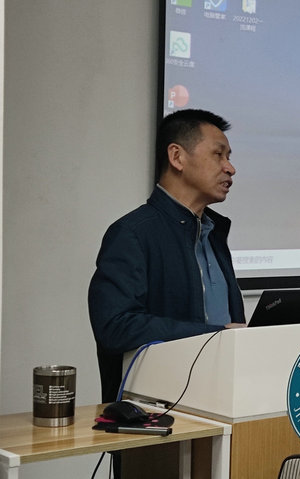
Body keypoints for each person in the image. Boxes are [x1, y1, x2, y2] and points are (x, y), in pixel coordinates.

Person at [88, 109, 246, 403]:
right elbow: (114, 327)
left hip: (224, 399)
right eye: (218, 155)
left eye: (229, 157)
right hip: (157, 412)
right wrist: (215, 334)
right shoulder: (132, 233)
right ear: (177, 157)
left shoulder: (214, 232)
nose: (230, 168)